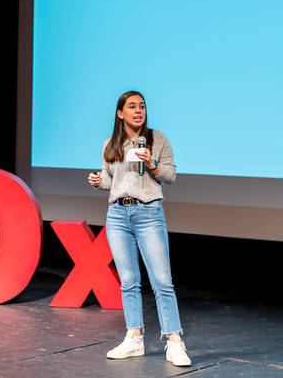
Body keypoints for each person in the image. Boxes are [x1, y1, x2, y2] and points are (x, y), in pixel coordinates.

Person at [87, 90, 191, 367]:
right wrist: (99, 181)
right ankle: (134, 338)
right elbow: (113, 181)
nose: (138, 111)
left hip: (149, 214)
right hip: (118, 215)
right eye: (131, 106)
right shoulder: (110, 144)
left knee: (162, 281)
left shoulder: (157, 140)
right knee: (129, 281)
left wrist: (152, 163)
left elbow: (170, 175)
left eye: (142, 106)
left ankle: (174, 341)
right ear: (120, 113)